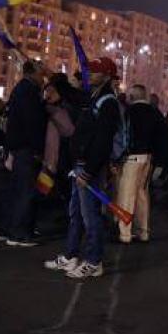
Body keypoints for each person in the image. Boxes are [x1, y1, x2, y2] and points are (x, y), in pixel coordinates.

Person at [44, 57, 122, 279]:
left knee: (90, 217)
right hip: (81, 165)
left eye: (95, 71)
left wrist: (88, 171)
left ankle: (93, 261)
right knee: (76, 214)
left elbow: (103, 141)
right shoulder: (95, 96)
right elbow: (72, 94)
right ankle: (71, 256)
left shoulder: (108, 102)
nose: (89, 74)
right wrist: (55, 78)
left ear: (107, 76)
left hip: (88, 168)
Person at [0, 60, 48, 247]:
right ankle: (19, 233)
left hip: (18, 147)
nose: (44, 77)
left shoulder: (21, 89)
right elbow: (33, 124)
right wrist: (37, 149)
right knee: (25, 192)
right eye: (41, 73)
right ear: (32, 72)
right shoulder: (29, 92)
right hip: (26, 148)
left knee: (16, 190)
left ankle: (8, 228)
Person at [118, 84, 168, 243]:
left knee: (127, 196)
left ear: (132, 97)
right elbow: (163, 138)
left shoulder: (129, 112)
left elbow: (123, 136)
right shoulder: (156, 113)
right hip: (149, 158)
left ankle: (125, 233)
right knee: (142, 194)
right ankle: (143, 231)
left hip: (132, 158)